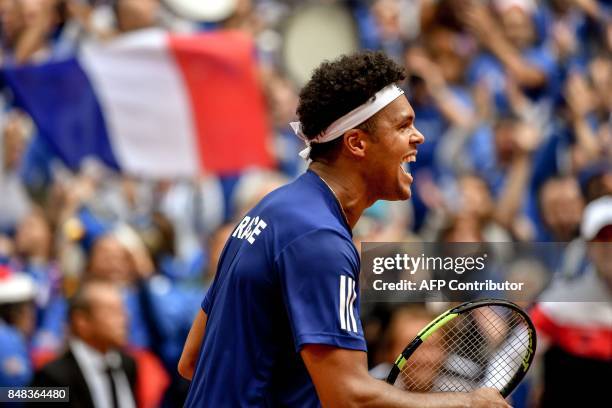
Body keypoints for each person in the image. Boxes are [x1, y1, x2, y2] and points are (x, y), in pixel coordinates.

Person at [178, 51, 510, 407]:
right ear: (356, 143)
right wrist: (467, 403)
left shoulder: (271, 209)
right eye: (403, 126)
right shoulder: (320, 240)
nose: (419, 138)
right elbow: (347, 396)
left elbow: (192, 360)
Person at [530, 195, 612, 407]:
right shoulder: (557, 304)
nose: (610, 247)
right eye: (603, 238)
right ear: (587, 246)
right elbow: (510, 359)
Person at [32, 280, 138, 408]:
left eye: (123, 311)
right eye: (113, 312)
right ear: (82, 321)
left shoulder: (127, 365)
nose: (125, 318)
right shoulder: (49, 377)